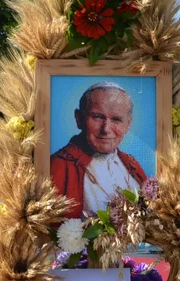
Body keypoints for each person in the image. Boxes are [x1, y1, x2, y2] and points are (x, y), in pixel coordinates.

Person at [50, 82, 147, 218]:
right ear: (79, 119)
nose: (106, 129)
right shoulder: (58, 166)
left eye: (116, 119)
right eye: (97, 117)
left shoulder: (131, 164)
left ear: (128, 125)